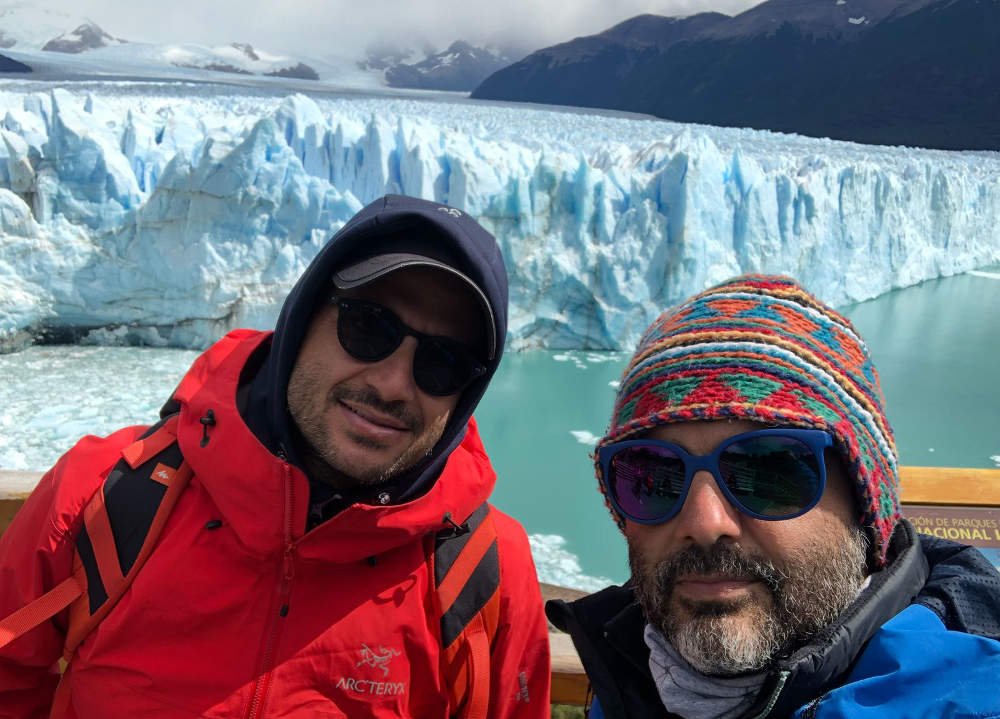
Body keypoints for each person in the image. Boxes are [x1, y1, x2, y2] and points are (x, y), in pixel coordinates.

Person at [0, 194, 551, 718]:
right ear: (303, 315)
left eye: (444, 363)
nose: (392, 385)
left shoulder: (484, 574)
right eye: (368, 328)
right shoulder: (106, 494)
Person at [547, 274, 1000, 718]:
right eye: (652, 473)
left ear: (866, 507)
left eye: (769, 471)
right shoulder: (632, 663)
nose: (703, 523)